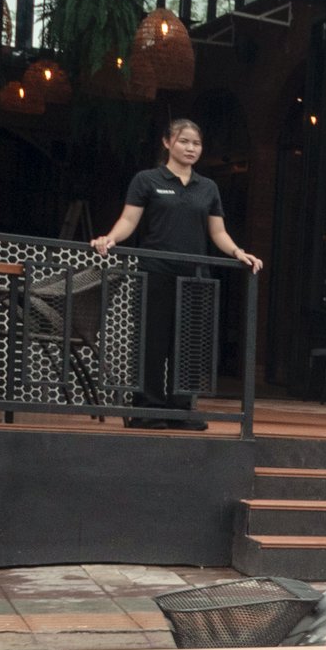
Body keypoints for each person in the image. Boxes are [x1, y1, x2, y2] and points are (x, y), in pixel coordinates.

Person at [91, 119, 263, 431]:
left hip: (195, 275)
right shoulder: (147, 180)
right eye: (184, 141)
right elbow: (129, 220)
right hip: (156, 271)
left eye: (196, 144)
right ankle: (148, 409)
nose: (191, 148)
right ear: (168, 143)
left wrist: (238, 252)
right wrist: (110, 238)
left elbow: (218, 231)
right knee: (153, 342)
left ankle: (182, 409)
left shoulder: (208, 187)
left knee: (189, 344)